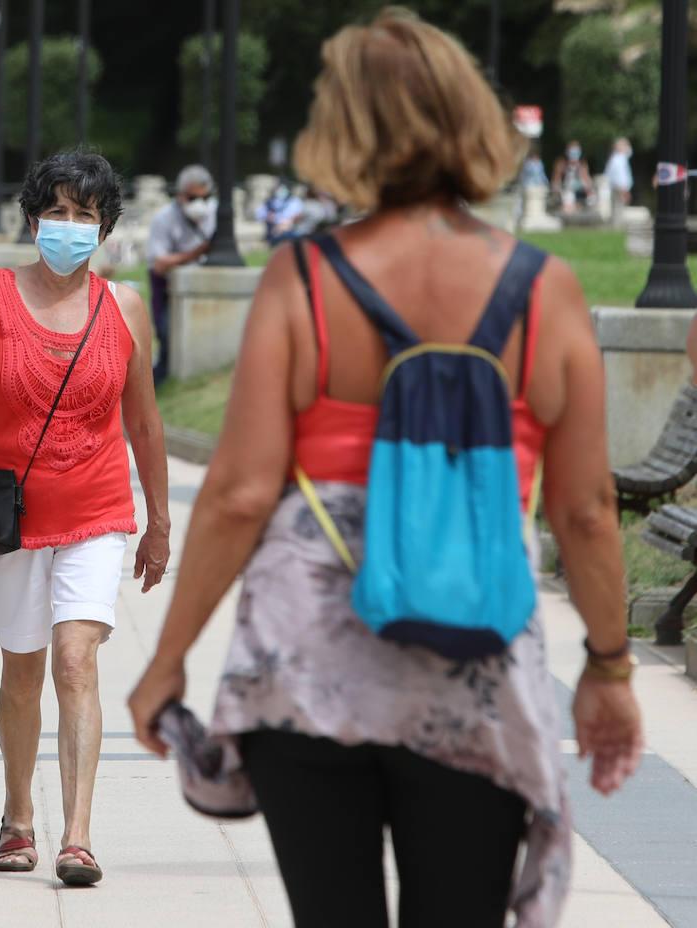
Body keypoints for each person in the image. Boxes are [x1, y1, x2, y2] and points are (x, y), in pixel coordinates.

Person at [128, 10, 642, 928]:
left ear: (343, 127)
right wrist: (609, 665)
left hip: (308, 657)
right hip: (472, 655)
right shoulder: (543, 288)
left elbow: (242, 494)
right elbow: (588, 510)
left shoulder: (306, 278)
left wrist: (167, 660)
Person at [0, 151, 172, 887]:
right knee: (23, 672)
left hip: (99, 511)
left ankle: (77, 837)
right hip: (12, 514)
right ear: (33, 217)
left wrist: (159, 520)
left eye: (85, 214)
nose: (69, 226)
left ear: (104, 227)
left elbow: (144, 422)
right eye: (58, 211)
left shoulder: (124, 306)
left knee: (76, 659)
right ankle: (17, 814)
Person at [146, 164, 216, 384]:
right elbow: (159, 263)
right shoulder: (164, 218)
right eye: (193, 198)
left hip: (203, 282)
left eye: (205, 197)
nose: (200, 204)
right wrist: (197, 252)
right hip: (168, 286)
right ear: (180, 195)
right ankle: (161, 380)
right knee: (167, 335)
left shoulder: (216, 213)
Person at [254, 178, 305, 245]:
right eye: (279, 187)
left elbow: (299, 215)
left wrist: (286, 224)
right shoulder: (270, 201)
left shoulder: (295, 201)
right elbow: (258, 214)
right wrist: (267, 217)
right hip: (273, 230)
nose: (281, 190)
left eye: (283, 187)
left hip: (289, 229)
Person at [552, 140, 593, 213]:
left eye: (576, 152)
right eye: (572, 152)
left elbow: (587, 180)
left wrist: (589, 191)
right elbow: (556, 180)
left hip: (580, 190)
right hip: (566, 190)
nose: (574, 155)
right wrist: (556, 191)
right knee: (568, 205)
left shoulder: (582, 165)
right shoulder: (562, 164)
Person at [605, 137, 634, 209]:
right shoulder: (619, 159)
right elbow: (619, 177)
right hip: (620, 190)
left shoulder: (617, 159)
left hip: (618, 190)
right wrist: (624, 191)